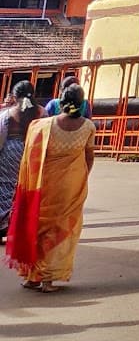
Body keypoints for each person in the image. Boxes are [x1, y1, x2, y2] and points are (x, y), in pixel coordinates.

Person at [4, 83, 94, 292]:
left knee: (37, 227)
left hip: (42, 185)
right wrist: (81, 177)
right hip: (71, 186)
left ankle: (31, 277)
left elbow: (29, 158)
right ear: (81, 104)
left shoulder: (42, 125)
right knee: (60, 230)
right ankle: (47, 280)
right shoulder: (89, 127)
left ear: (61, 101)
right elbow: (89, 156)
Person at [1, 81, 42, 242]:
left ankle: (3, 224)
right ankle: (22, 226)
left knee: (4, 189)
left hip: (10, 155)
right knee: (26, 190)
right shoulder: (41, 113)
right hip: (32, 155)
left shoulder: (7, 114)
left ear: (13, 96)